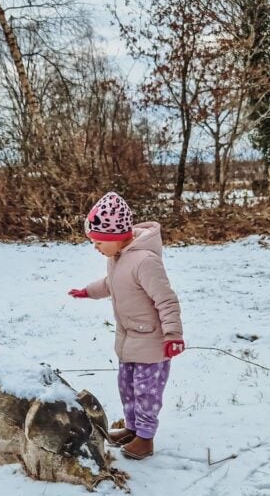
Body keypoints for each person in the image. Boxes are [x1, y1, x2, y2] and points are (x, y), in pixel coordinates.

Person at [67, 192, 184, 460]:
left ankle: (145, 438)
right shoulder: (117, 258)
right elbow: (111, 284)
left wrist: (173, 335)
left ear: (115, 236)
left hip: (152, 344)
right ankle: (132, 428)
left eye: (98, 242)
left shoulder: (145, 261)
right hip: (129, 341)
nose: (95, 247)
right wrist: (87, 291)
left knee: (146, 393)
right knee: (127, 388)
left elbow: (166, 300)